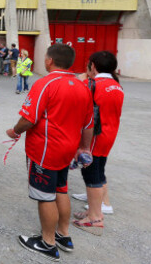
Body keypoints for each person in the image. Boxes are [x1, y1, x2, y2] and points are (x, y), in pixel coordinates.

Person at [6, 44, 94, 261]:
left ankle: (47, 242)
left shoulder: (46, 83)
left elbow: (29, 117)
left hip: (46, 150)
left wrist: (14, 131)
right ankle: (63, 234)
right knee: (60, 189)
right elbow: (89, 124)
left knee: (45, 196)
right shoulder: (82, 86)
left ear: (49, 61)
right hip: (66, 150)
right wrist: (83, 148)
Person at [71, 51, 124, 235]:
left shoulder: (92, 84)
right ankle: (94, 210)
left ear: (92, 66)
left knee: (91, 175)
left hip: (93, 137)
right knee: (99, 173)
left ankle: (95, 217)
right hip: (108, 136)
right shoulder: (116, 85)